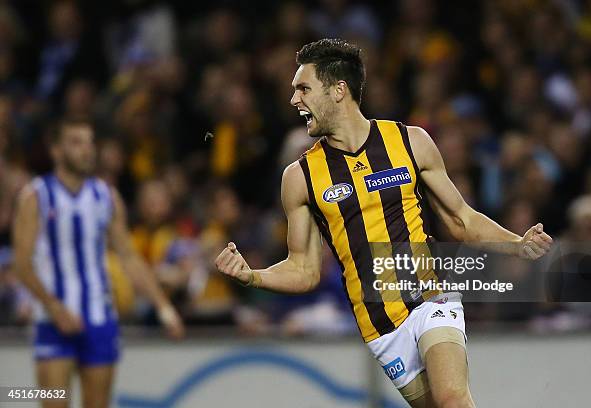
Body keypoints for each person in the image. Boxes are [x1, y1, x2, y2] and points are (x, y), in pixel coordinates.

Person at [215, 39, 552, 408]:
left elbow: (460, 219)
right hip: (380, 325)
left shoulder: (411, 142)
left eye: (303, 88)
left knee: (453, 400)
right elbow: (305, 269)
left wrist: (517, 244)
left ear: (338, 90)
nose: (295, 100)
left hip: (429, 299)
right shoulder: (301, 177)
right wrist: (252, 276)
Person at [12, 117, 185, 408]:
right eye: (76, 142)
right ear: (56, 150)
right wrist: (54, 307)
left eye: (90, 142)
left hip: (99, 317)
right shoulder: (36, 196)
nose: (86, 150)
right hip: (53, 319)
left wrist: (163, 307)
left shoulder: (106, 197)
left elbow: (129, 256)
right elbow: (22, 263)